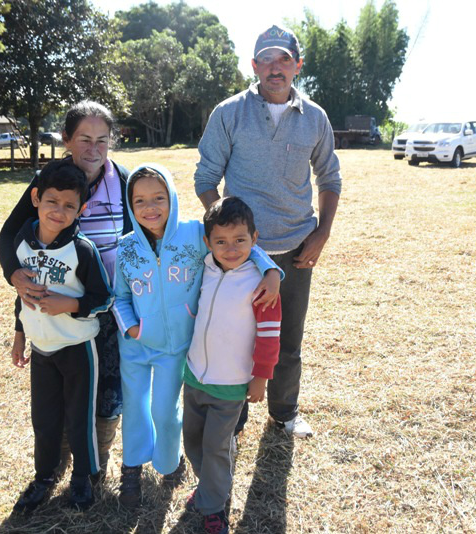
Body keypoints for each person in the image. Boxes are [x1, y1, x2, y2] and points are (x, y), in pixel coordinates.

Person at [194, 25, 342, 439]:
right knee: (237, 335)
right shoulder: (228, 113)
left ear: (297, 65)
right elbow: (205, 177)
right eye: (266, 60)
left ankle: (284, 412)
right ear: (254, 65)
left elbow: (329, 176)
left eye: (283, 59)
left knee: (287, 337)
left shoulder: (315, 117)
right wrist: (231, 236)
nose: (275, 68)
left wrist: (322, 233)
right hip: (240, 254)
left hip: (296, 247)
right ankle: (233, 415)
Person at [112, 164, 282, 507]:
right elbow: (119, 296)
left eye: (159, 197)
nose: (150, 207)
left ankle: (168, 462)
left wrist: (271, 269)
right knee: (134, 408)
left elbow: (236, 243)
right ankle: (131, 467)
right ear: (130, 204)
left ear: (172, 197)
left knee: (164, 410)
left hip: (176, 347)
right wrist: (133, 327)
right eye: (140, 200)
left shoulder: (193, 234)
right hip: (135, 344)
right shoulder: (126, 247)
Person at [0, 101, 130, 481]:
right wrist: (14, 275)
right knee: (60, 389)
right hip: (55, 307)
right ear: (67, 140)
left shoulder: (122, 180)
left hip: (109, 306)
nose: (93, 149)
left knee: (106, 388)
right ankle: (59, 460)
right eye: (84, 139)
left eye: (102, 140)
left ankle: (96, 460)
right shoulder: (52, 180)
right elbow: (12, 235)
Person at [8, 160, 113, 513]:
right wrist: (20, 333)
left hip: (77, 348)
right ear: (36, 198)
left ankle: (83, 477)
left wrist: (70, 303)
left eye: (70, 205)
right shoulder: (22, 239)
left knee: (79, 417)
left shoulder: (83, 250)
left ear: (81, 209)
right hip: (41, 349)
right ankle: (44, 477)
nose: (59, 211)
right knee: (45, 418)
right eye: (52, 201)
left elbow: (104, 298)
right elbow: (21, 292)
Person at [182, 197, 281, 534]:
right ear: (208, 243)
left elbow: (269, 336)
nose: (231, 249)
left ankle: (215, 506)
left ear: (255, 240)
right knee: (193, 442)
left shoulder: (262, 282)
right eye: (221, 241)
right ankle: (210, 484)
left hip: (231, 383)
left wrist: (261, 378)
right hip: (194, 375)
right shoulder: (205, 265)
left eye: (240, 240)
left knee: (216, 446)